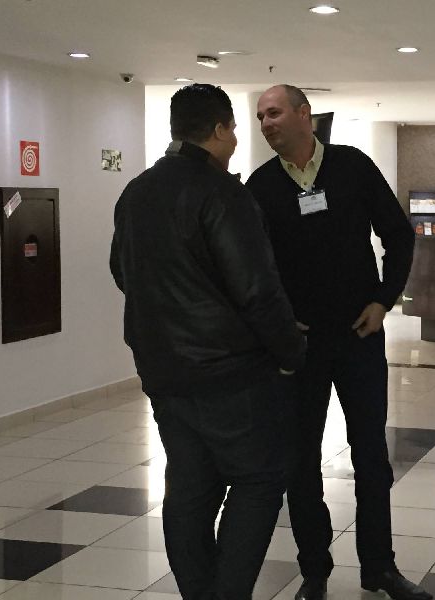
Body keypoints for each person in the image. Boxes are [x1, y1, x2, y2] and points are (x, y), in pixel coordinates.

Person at [110, 83, 306, 600]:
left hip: (162, 369)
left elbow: (121, 272)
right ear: (219, 129)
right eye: (235, 128)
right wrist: (290, 351)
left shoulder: (137, 192)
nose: (238, 138)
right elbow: (256, 288)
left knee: (190, 489)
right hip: (229, 371)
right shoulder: (222, 192)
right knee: (259, 479)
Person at [245, 84, 430, 600]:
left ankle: (380, 568)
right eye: (260, 117)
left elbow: (398, 234)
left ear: (304, 114)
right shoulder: (261, 186)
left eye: (274, 113)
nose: (266, 124)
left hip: (358, 337)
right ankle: (314, 570)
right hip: (299, 347)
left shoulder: (352, 167)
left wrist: (385, 299)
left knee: (370, 457)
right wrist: (279, 320)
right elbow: (253, 266)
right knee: (300, 462)